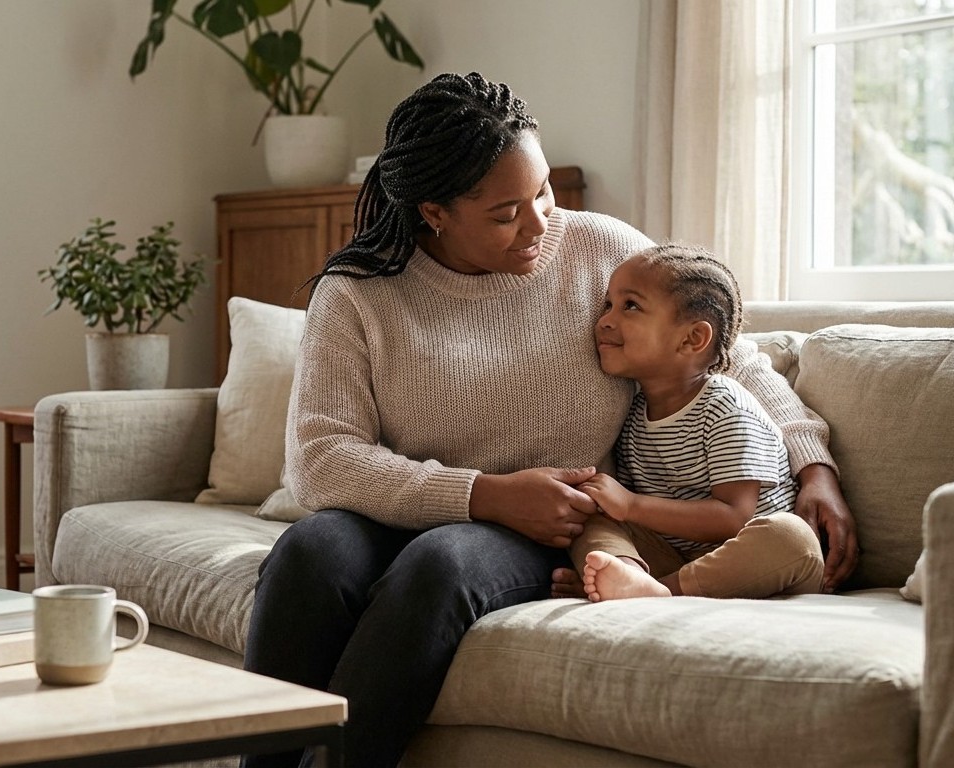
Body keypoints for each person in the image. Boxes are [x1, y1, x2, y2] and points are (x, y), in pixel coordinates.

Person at [242, 72, 858, 768]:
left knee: (439, 564)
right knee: (309, 553)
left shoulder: (599, 249)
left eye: (542, 192)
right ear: (434, 211)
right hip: (399, 506)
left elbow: (728, 358)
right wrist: (482, 493)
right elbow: (321, 458)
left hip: (549, 527)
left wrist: (813, 465)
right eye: (506, 212)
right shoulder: (357, 293)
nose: (540, 225)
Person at [573, 244, 824, 602]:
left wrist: (630, 504)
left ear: (692, 338)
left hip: (756, 560)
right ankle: (625, 575)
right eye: (607, 305)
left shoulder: (725, 407)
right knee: (589, 517)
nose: (604, 320)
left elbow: (733, 518)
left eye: (630, 306)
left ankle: (661, 592)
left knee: (791, 538)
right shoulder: (632, 412)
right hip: (679, 558)